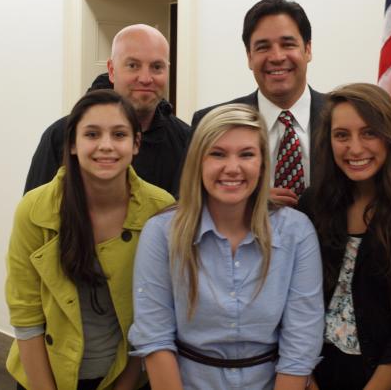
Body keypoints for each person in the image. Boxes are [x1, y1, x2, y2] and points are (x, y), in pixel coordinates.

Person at [129, 104, 324, 390]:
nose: (232, 168)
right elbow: (154, 338)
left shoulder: (296, 231)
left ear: (262, 163)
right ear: (198, 162)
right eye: (218, 154)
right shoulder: (161, 233)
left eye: (247, 154)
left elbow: (301, 344)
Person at [6, 90, 175, 390]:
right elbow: (26, 316)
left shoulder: (159, 208)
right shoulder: (34, 210)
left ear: (136, 144)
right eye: (92, 134)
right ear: (73, 144)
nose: (106, 146)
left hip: (126, 375)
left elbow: (154, 314)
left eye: (119, 134)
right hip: (45, 377)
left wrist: (126, 384)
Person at [298, 83, 391, 389]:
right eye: (342, 135)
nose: (355, 148)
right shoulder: (314, 204)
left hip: (387, 377)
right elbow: (297, 305)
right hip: (315, 371)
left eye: (369, 133)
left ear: (390, 136)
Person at [188, 0, 325, 206]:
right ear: (249, 57)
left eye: (288, 44)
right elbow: (186, 200)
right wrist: (249, 200)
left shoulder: (340, 117)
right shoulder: (209, 122)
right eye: (263, 47)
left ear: (307, 50)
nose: (277, 56)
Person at [24, 24, 190, 195]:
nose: (146, 78)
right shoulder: (61, 136)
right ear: (111, 70)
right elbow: (36, 213)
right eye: (133, 65)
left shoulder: (186, 141)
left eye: (156, 67)